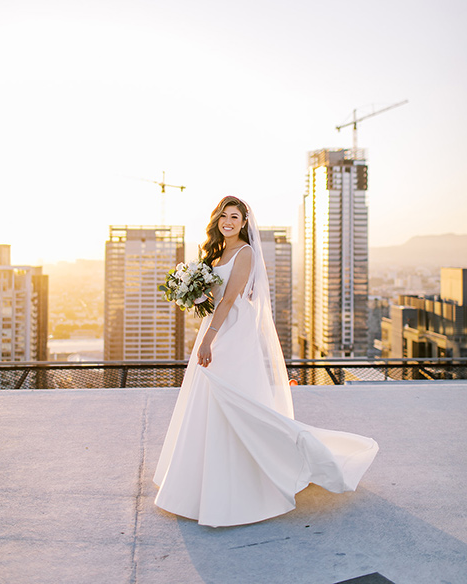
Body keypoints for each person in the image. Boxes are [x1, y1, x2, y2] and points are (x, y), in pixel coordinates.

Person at [154, 196, 378, 528]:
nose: (228, 221)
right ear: (216, 220)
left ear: (245, 222)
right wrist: (197, 295)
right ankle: (199, 484)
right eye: (223, 216)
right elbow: (217, 296)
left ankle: (254, 482)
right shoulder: (217, 253)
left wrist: (208, 339)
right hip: (217, 325)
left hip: (230, 331)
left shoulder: (245, 252)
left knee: (232, 398)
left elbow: (231, 298)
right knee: (210, 401)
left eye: (235, 216)